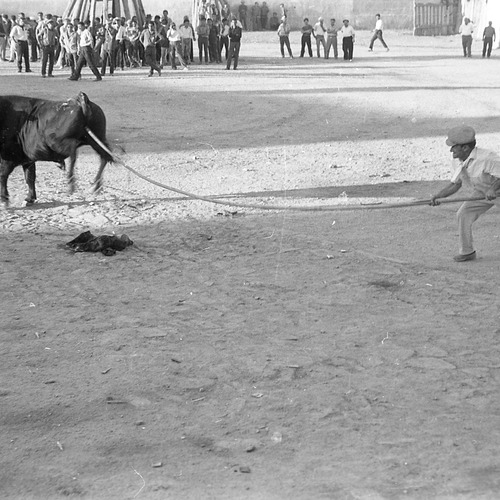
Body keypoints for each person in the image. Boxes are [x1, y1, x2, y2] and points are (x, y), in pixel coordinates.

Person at [430, 126, 500, 262]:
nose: (451, 150)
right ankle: (467, 252)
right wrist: (439, 196)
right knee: (463, 213)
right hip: (482, 192)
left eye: (454, 147)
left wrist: (493, 188)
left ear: (465, 148)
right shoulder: (457, 161)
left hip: (497, 191)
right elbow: (456, 184)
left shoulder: (488, 158)